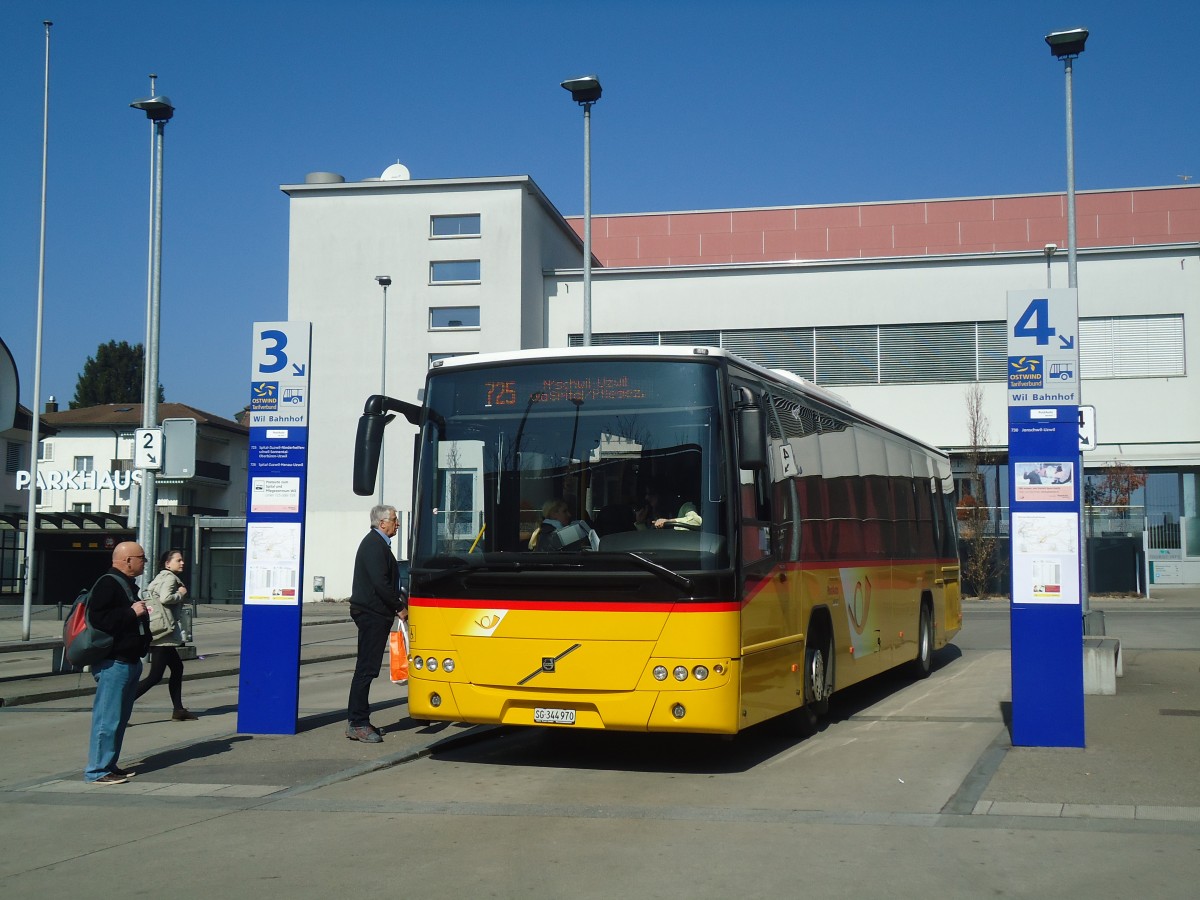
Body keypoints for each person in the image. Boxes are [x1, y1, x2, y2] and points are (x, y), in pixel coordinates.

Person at [83, 541, 151, 784]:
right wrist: (132, 612)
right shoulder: (108, 583)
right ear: (127, 560)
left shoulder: (126, 584)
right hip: (113, 663)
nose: (145, 562)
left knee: (119, 720)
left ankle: (109, 764)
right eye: (142, 558)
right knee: (107, 719)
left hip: (129, 661)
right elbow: (99, 620)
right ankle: (97, 771)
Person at [346, 505, 407, 743]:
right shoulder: (374, 545)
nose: (397, 524)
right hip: (371, 613)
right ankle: (358, 723)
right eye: (394, 520)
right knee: (367, 668)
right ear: (382, 523)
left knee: (367, 668)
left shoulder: (378, 544)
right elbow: (381, 583)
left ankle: (359, 720)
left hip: (374, 613)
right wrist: (399, 607)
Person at [134, 548, 198, 721]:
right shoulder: (170, 578)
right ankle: (122, 704)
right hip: (164, 633)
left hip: (160, 630)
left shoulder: (159, 577)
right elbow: (165, 598)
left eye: (182, 560)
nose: (182, 563)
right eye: (178, 560)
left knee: (177, 668)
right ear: (167, 564)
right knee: (155, 676)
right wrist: (180, 594)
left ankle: (179, 709)